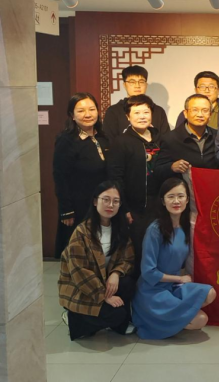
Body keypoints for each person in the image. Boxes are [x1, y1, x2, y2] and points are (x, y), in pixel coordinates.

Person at [132, 178, 216, 339]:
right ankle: (152, 320)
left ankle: (168, 320)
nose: (176, 201)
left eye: (180, 196)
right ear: (163, 201)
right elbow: (148, 272)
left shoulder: (185, 227)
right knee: (200, 319)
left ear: (187, 199)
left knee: (210, 293)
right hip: (153, 290)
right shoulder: (155, 230)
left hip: (173, 287)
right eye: (171, 196)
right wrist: (180, 278)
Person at [58, 181, 136, 340]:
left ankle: (114, 323)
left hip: (105, 281)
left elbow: (128, 258)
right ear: (95, 201)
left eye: (116, 201)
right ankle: (73, 317)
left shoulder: (120, 229)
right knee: (116, 314)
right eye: (106, 199)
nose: (110, 205)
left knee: (127, 282)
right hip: (83, 287)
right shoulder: (81, 232)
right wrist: (104, 296)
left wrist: (116, 273)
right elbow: (79, 271)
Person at [107, 95, 163, 277]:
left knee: (160, 249)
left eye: (146, 112)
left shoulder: (161, 139)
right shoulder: (121, 142)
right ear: (128, 116)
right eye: (136, 113)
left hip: (160, 204)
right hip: (136, 208)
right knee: (139, 250)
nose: (142, 116)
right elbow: (116, 177)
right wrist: (124, 207)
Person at [53, 93, 109, 258]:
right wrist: (66, 210)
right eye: (81, 110)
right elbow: (60, 176)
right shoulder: (67, 140)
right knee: (79, 254)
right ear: (72, 115)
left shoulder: (102, 138)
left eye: (92, 109)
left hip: (101, 205)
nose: (87, 114)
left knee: (100, 251)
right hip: (78, 207)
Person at [154, 94, 219, 183]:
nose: (200, 114)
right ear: (185, 113)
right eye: (195, 110)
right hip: (184, 189)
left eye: (205, 110)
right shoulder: (170, 138)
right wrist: (171, 167)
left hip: (212, 187)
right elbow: (157, 170)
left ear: (210, 115)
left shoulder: (218, 136)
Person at [103, 65, 170, 143]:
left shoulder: (158, 111)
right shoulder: (113, 111)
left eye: (141, 82)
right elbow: (109, 142)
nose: (137, 86)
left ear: (146, 85)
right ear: (124, 85)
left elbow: (166, 141)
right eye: (132, 82)